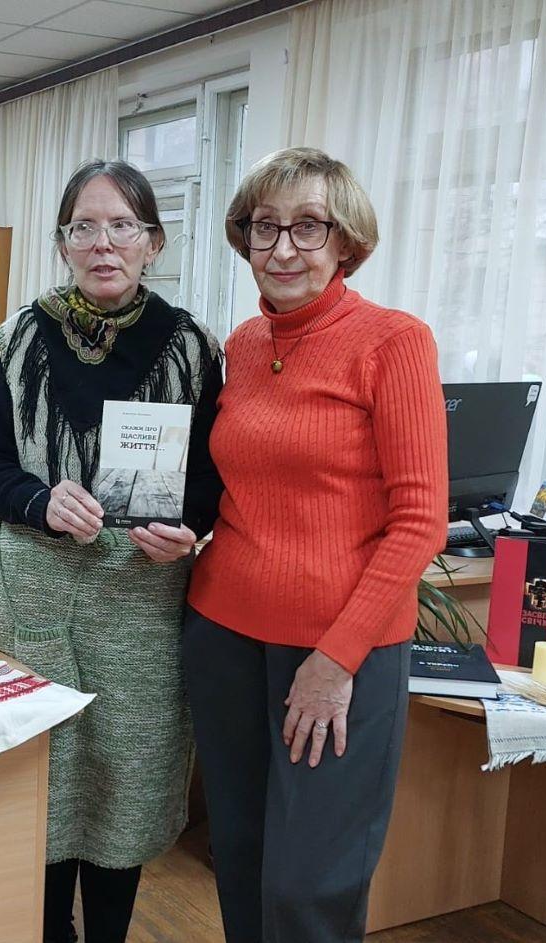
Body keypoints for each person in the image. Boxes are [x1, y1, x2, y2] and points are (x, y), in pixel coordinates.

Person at [184, 147, 448, 943]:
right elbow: (238, 483)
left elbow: (419, 519)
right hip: (223, 634)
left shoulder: (392, 341)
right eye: (264, 226)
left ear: (345, 241)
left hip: (338, 649)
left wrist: (334, 661)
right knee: (238, 853)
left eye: (307, 226)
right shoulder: (240, 345)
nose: (282, 248)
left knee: (309, 882)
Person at [0, 158, 224, 943]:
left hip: (139, 600)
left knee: (125, 779)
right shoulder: (22, 336)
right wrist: (39, 501)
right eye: (84, 227)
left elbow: (212, 479)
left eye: (122, 226)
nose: (102, 243)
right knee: (36, 778)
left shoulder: (191, 347)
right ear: (62, 242)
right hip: (32, 597)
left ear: (153, 242)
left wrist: (188, 529)